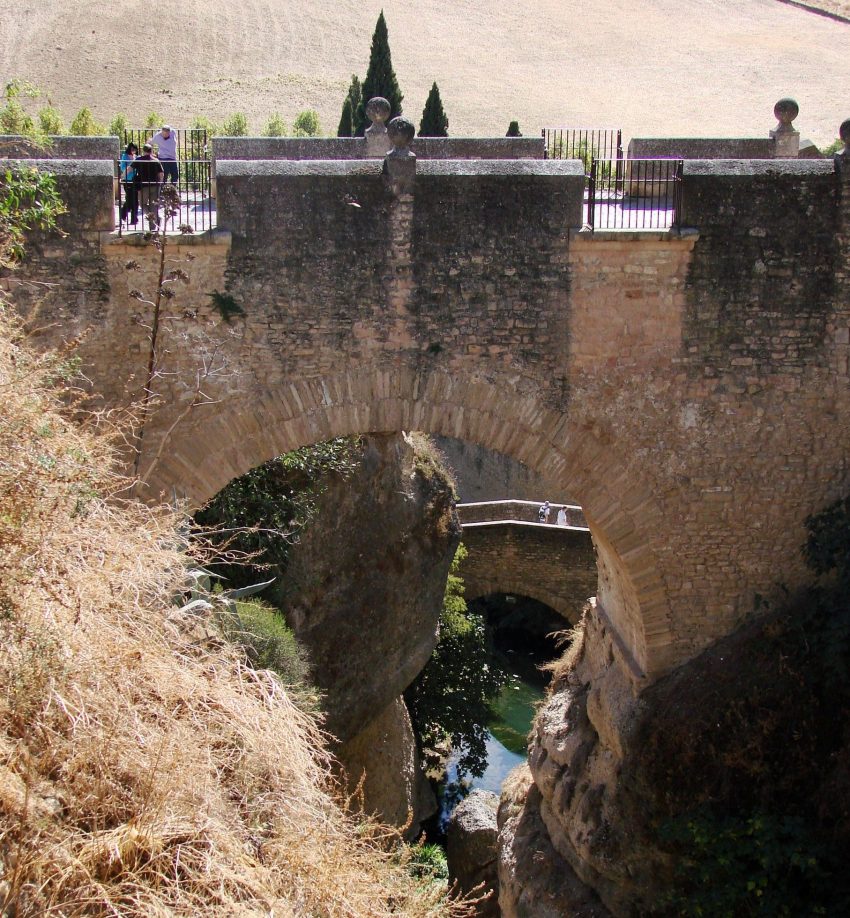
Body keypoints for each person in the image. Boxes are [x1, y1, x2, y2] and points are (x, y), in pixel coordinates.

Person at [133, 143, 164, 229]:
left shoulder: (139, 160)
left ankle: (152, 220)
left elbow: (130, 168)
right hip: (155, 185)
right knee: (153, 205)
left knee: (142, 204)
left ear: (143, 151)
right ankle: (155, 221)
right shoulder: (156, 160)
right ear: (151, 151)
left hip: (144, 186)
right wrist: (160, 184)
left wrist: (123, 176)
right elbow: (161, 173)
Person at [118, 142, 138, 225]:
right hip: (127, 180)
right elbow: (123, 168)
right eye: (133, 149)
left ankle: (134, 218)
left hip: (134, 179)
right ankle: (123, 214)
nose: (134, 151)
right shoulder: (125, 156)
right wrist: (130, 167)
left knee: (135, 200)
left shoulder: (135, 157)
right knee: (129, 199)